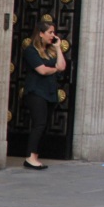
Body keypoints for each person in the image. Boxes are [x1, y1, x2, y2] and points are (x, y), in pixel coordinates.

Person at [21, 21, 65, 170]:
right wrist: (55, 69)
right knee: (39, 124)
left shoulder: (51, 50)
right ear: (41, 33)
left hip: (50, 92)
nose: (53, 35)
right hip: (36, 92)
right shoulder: (31, 50)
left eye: (54, 32)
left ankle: (36, 156)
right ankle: (30, 157)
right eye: (50, 32)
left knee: (44, 125)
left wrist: (58, 48)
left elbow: (62, 66)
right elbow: (42, 70)